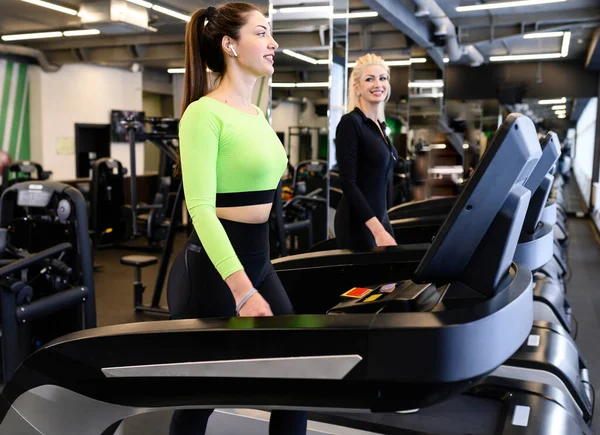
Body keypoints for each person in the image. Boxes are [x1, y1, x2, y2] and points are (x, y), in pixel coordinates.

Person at [166, 3, 307, 434]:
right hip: (213, 271)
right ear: (230, 45)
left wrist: (254, 277)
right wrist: (241, 290)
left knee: (299, 380)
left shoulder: (257, 114)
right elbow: (200, 211)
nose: (273, 43)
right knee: (200, 402)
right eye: (262, 33)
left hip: (258, 261)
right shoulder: (203, 114)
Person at [334, 53, 398, 251]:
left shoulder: (379, 127)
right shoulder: (351, 123)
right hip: (358, 221)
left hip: (380, 217)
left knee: (390, 279)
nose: (378, 84)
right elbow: (348, 183)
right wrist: (377, 230)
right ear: (357, 87)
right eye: (369, 79)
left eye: (382, 78)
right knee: (372, 281)